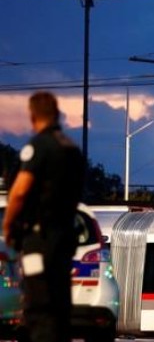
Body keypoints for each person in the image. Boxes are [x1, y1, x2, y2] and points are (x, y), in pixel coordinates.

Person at [2, 92, 84, 342]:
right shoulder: (72, 149)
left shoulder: (38, 147)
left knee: (39, 306)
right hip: (64, 237)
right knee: (60, 305)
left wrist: (8, 225)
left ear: (33, 115)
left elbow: (20, 192)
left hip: (40, 238)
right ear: (57, 113)